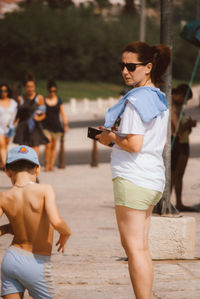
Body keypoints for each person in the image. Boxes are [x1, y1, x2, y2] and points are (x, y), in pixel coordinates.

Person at [96, 41, 171, 299]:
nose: (125, 71)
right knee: (141, 247)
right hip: (153, 178)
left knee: (134, 249)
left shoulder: (135, 101)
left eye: (131, 66)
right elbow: (157, 141)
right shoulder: (159, 98)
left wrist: (111, 137)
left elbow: (134, 143)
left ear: (148, 67)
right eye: (122, 66)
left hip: (133, 177)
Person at [0, 145, 71, 298]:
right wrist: (66, 233)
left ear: (7, 172)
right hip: (36, 262)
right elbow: (56, 221)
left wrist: (6, 229)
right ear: (37, 169)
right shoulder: (44, 189)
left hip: (11, 259)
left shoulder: (4, 196)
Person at [171, 84, 197, 211]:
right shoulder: (172, 108)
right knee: (173, 175)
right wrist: (189, 124)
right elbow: (178, 131)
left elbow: (185, 131)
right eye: (185, 99)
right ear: (180, 95)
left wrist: (189, 125)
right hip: (176, 144)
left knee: (179, 175)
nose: (185, 103)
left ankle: (179, 203)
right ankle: (167, 202)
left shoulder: (179, 108)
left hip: (184, 143)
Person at [13, 73, 49, 157]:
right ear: (25, 87)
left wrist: (38, 119)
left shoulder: (39, 98)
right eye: (28, 86)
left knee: (35, 148)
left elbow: (43, 114)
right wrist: (11, 124)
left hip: (34, 126)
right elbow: (18, 114)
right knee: (22, 149)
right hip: (22, 126)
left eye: (32, 86)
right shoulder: (20, 98)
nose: (30, 89)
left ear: (35, 87)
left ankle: (36, 168)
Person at [42, 81, 69, 171]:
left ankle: (51, 165)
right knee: (48, 144)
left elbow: (62, 113)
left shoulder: (59, 100)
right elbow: (40, 112)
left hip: (56, 126)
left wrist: (66, 124)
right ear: (48, 90)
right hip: (46, 126)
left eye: (54, 91)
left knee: (54, 146)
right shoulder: (44, 100)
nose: (52, 92)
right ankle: (47, 164)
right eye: (51, 91)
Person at [0, 84, 17, 169]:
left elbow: (15, 114)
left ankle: (2, 162)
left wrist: (12, 123)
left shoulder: (13, 102)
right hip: (0, 126)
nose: (3, 93)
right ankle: (6, 166)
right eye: (2, 91)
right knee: (2, 145)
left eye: (5, 90)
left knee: (6, 145)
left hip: (9, 127)